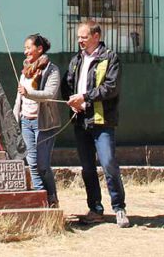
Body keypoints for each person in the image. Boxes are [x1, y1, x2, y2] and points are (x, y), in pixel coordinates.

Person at [63, 20, 130, 228]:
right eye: (78, 37)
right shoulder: (76, 60)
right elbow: (67, 84)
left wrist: (84, 97)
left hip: (102, 120)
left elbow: (111, 88)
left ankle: (119, 207)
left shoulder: (110, 58)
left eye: (84, 37)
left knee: (108, 163)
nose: (80, 40)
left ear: (96, 36)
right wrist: (72, 102)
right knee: (87, 168)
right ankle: (95, 209)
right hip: (80, 120)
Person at [13, 33, 61, 207]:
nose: (25, 52)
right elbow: (19, 99)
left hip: (44, 124)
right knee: (32, 163)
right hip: (26, 121)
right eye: (24, 48)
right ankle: (42, 201)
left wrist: (29, 93)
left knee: (42, 164)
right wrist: (15, 118)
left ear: (39, 49)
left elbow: (49, 94)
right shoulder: (25, 70)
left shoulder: (51, 70)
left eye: (29, 48)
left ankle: (52, 197)